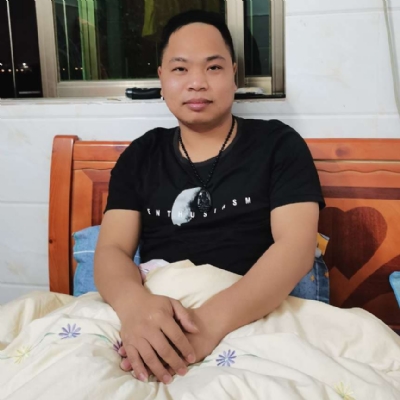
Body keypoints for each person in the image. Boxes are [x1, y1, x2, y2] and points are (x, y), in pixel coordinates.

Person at [94, 9, 325, 385]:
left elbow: (296, 247)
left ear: (234, 74)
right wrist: (135, 307)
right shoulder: (141, 156)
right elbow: (112, 250)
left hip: (246, 314)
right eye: (180, 69)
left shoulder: (277, 145)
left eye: (213, 67)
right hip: (151, 313)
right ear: (162, 78)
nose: (197, 83)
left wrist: (205, 326)